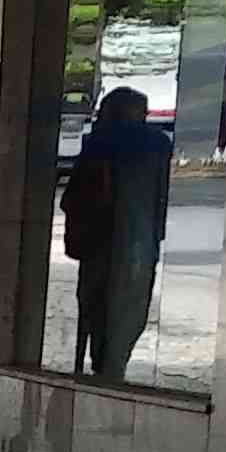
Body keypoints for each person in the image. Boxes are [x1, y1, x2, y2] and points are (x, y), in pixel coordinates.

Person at [62, 85, 167, 382]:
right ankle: (113, 369)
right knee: (129, 312)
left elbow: (72, 199)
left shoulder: (99, 144)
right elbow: (163, 202)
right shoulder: (159, 146)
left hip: (100, 246)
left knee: (96, 310)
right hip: (140, 249)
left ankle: (99, 367)